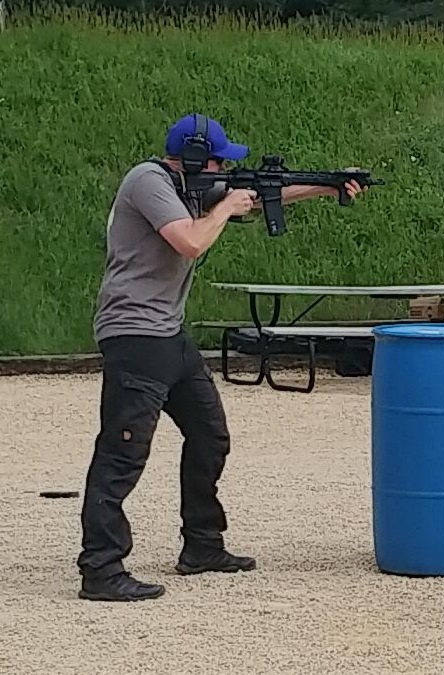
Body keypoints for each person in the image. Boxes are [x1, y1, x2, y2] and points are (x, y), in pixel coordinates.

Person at [77, 113, 365, 601]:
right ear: (193, 159)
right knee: (122, 452)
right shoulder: (148, 181)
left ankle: (202, 545)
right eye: (216, 161)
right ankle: (101, 569)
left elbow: (254, 195)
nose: (222, 170)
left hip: (169, 333)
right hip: (135, 334)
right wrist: (226, 207)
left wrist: (326, 187)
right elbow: (190, 241)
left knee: (210, 434)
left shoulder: (189, 185)